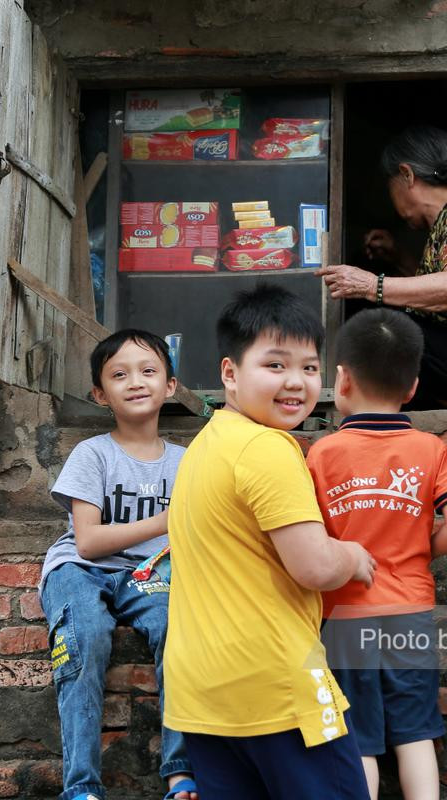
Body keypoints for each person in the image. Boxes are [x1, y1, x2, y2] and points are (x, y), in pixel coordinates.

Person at [163, 283, 377, 800]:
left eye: (309, 367)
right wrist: (352, 555)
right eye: (276, 365)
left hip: (202, 691)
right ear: (230, 373)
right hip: (276, 681)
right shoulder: (268, 447)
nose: (297, 383)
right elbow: (313, 567)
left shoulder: (205, 445)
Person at [307, 308, 447, 800]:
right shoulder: (430, 448)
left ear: (342, 379)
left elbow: (312, 539)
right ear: (412, 386)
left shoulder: (322, 453)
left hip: (345, 614)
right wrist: (419, 552)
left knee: (357, 739)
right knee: (416, 731)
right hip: (411, 611)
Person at [38, 329, 197, 800]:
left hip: (150, 574)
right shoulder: (93, 454)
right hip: (80, 571)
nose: (135, 382)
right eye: (119, 374)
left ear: (171, 385)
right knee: (84, 638)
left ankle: (181, 770)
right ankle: (82, 788)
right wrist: (165, 520)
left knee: (181, 629)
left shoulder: (188, 462)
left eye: (149, 371)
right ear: (99, 393)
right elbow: (87, 541)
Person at [316, 124, 447, 409]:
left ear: (406, 174)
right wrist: (398, 259)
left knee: (385, 327)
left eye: (390, 185)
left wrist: (372, 285)